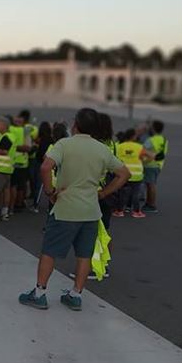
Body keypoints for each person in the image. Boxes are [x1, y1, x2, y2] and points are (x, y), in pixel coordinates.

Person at [19, 108, 129, 311]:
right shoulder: (102, 148)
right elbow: (124, 174)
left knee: (49, 252)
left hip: (66, 208)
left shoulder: (64, 144)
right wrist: (103, 193)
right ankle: (76, 294)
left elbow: (45, 167)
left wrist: (51, 191)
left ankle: (40, 293)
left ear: (76, 124)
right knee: (84, 254)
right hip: (90, 210)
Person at [115, 128, 152, 218]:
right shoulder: (139, 147)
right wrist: (144, 162)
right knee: (136, 194)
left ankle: (119, 211)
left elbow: (115, 159)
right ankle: (136, 211)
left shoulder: (120, 146)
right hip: (137, 175)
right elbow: (150, 156)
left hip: (124, 174)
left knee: (123, 193)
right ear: (133, 137)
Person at [142, 120, 167, 213]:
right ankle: (149, 203)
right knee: (151, 184)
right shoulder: (163, 139)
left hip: (150, 164)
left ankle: (151, 204)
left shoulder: (151, 140)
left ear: (153, 128)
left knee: (150, 185)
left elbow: (142, 150)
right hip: (158, 164)